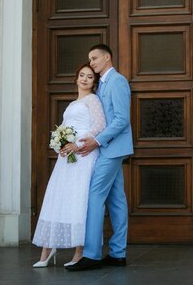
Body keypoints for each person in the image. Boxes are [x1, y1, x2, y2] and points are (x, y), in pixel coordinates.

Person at [66, 44, 134, 271]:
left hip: (112, 148)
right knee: (116, 200)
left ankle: (92, 254)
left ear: (107, 58)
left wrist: (97, 141)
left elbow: (122, 119)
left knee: (94, 196)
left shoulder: (117, 81)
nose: (92, 63)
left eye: (94, 58)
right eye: (90, 59)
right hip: (107, 148)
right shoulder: (102, 85)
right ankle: (117, 254)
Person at [32, 63, 106, 268]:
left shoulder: (93, 100)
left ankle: (79, 251)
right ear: (76, 78)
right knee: (59, 197)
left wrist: (78, 143)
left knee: (79, 199)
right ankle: (48, 248)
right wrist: (61, 145)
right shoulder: (72, 104)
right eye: (81, 75)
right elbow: (63, 128)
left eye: (89, 77)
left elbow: (100, 125)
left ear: (94, 82)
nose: (84, 79)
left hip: (84, 153)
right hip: (67, 157)